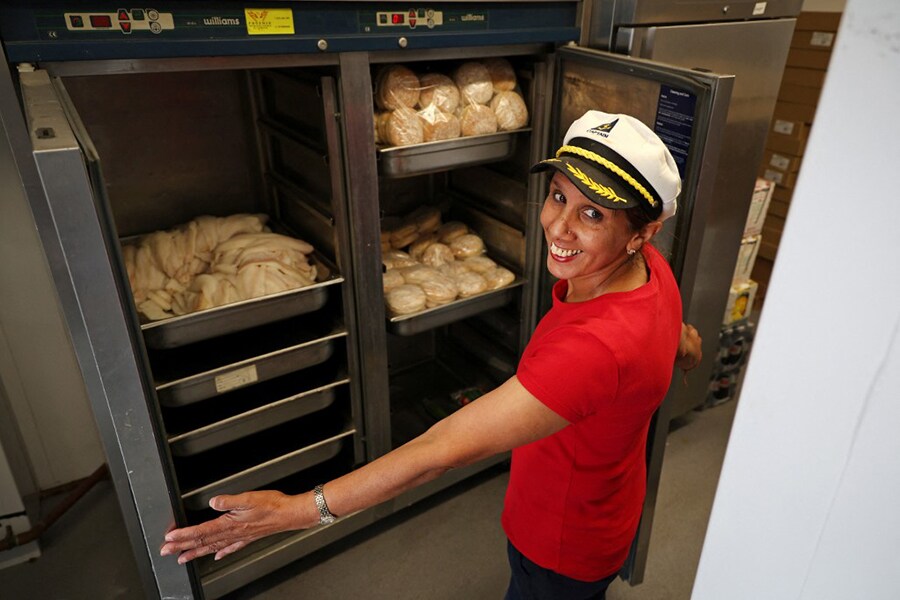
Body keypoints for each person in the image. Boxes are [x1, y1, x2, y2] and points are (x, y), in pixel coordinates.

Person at [160, 110, 703, 599]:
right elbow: (679, 335)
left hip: (562, 539)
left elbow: (438, 451)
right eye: (559, 196)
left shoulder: (593, 350)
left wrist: (298, 509)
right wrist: (676, 350)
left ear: (641, 233)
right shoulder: (651, 271)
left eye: (593, 216)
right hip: (608, 504)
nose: (559, 227)